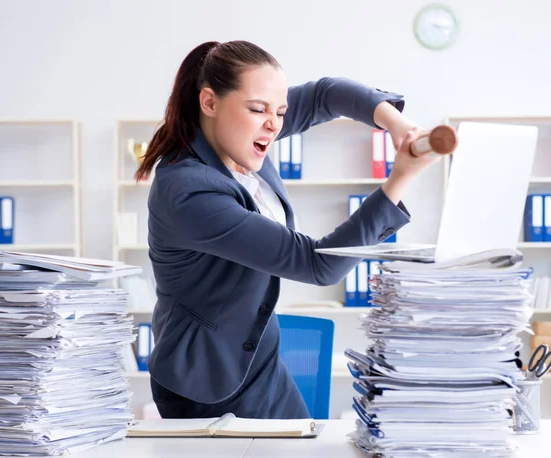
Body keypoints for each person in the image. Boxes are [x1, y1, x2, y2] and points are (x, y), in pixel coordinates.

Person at [135, 40, 439, 420]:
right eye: (259, 109)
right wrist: (399, 181)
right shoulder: (189, 190)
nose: (274, 124)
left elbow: (324, 95)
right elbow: (318, 264)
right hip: (205, 380)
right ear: (209, 103)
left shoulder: (240, 133)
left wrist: (393, 122)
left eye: (280, 111)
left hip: (259, 360)